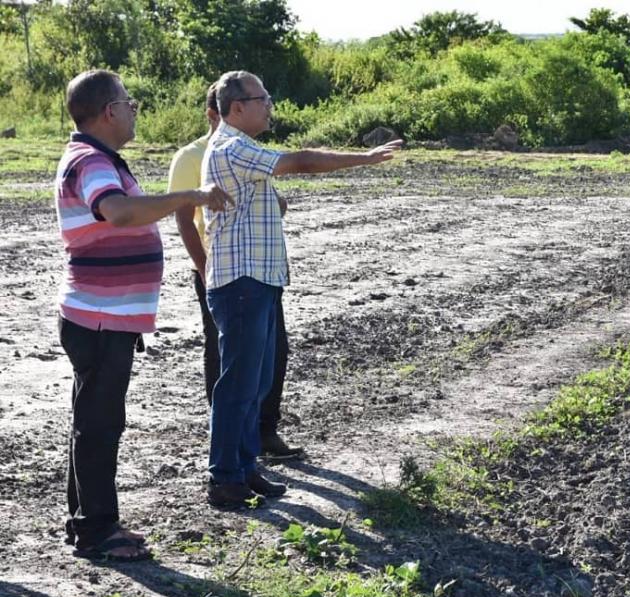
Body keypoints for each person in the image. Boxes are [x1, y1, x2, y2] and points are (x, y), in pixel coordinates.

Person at [201, 70, 402, 510]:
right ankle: (224, 477)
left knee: (255, 383)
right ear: (237, 108)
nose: (269, 105)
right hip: (241, 282)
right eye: (263, 98)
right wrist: (364, 159)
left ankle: (244, 467)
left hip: (258, 279)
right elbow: (300, 161)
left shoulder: (241, 147)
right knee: (239, 385)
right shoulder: (233, 146)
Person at [56, 69, 231, 560]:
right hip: (99, 318)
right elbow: (119, 212)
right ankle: (96, 531)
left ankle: (88, 521)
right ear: (109, 111)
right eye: (129, 103)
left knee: (93, 422)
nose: (134, 111)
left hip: (104, 317)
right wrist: (189, 197)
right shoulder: (91, 160)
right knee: (99, 425)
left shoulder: (99, 158)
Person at [167, 84, 302, 461]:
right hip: (221, 272)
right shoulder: (192, 156)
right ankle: (227, 445)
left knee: (272, 353)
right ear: (215, 114)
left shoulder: (247, 150)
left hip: (258, 272)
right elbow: (184, 219)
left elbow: (271, 204)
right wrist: (203, 268)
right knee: (225, 357)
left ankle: (262, 432)